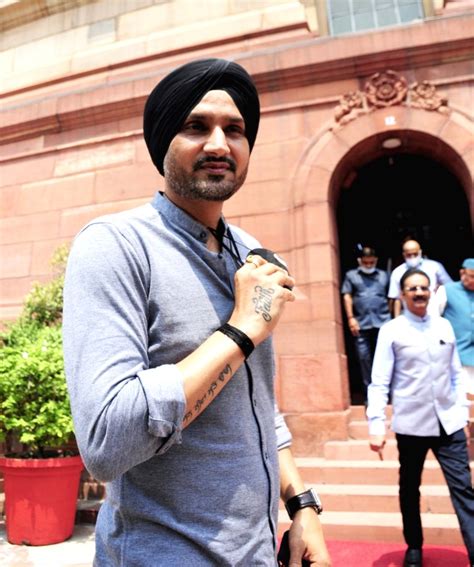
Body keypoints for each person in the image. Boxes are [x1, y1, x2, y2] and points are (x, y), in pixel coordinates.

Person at [62, 58, 330, 567]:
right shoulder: (116, 247)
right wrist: (241, 329)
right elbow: (103, 441)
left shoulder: (251, 254)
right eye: (196, 126)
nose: (218, 144)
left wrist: (301, 505)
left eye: (235, 130)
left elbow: (259, 402)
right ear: (163, 140)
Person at [367, 268, 474, 567]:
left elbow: (455, 375)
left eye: (424, 288)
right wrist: (376, 425)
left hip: (448, 424)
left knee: (464, 489)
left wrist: (462, 416)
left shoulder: (444, 327)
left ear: (431, 291)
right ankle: (414, 545)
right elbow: (379, 382)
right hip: (411, 425)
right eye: (412, 288)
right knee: (409, 487)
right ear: (402, 294)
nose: (419, 293)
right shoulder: (392, 330)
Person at [341, 246, 391, 401]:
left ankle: (386, 392)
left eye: (371, 262)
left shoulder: (384, 276)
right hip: (361, 322)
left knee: (385, 357)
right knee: (364, 358)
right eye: (365, 262)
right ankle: (371, 394)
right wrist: (350, 318)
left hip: (382, 321)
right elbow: (347, 296)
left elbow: (392, 297)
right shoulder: (352, 276)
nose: (369, 265)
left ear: (375, 260)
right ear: (360, 261)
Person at [436, 257, 474, 395]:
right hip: (455, 352)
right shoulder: (447, 290)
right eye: (472, 276)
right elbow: (433, 318)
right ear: (462, 273)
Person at [388, 238, 452, 317]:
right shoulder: (397, 272)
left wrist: (440, 288)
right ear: (404, 255)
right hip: (409, 313)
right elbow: (396, 298)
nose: (412, 257)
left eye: (415, 254)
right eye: (409, 255)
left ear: (420, 252)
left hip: (434, 311)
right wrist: (396, 320)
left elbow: (450, 287)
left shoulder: (434, 266)